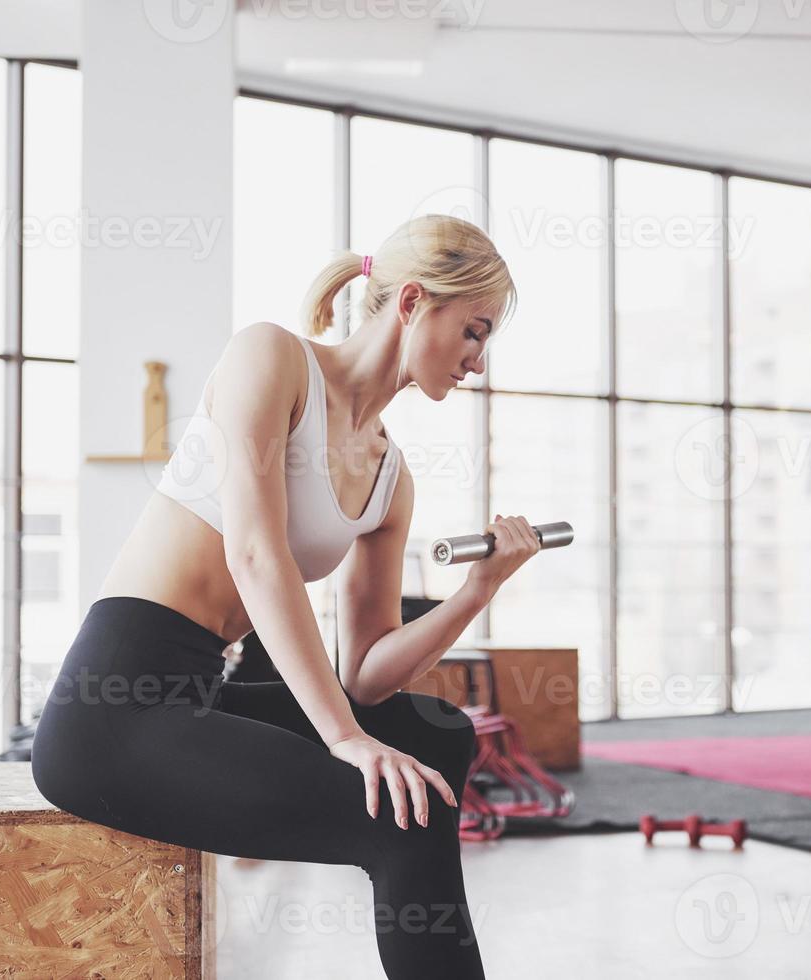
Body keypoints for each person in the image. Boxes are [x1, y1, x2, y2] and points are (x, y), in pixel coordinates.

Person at [31, 214, 531, 979]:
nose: (478, 361)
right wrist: (345, 741)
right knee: (404, 817)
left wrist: (476, 590)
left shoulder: (389, 478)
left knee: (436, 731)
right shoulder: (271, 358)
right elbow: (256, 553)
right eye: (473, 331)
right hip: (113, 709)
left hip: (207, 686)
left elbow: (363, 674)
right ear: (412, 303)